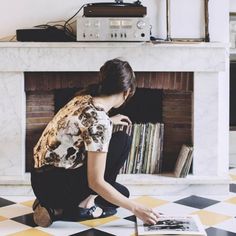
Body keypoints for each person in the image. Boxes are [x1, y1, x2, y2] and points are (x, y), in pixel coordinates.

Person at [31, 58, 159, 227]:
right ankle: (84, 207)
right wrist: (137, 209)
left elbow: (83, 126)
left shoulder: (82, 98)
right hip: (59, 188)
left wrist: (110, 120)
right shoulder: (100, 122)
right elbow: (95, 182)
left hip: (40, 181)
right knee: (123, 141)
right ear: (127, 92)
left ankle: (51, 206)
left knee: (122, 194)